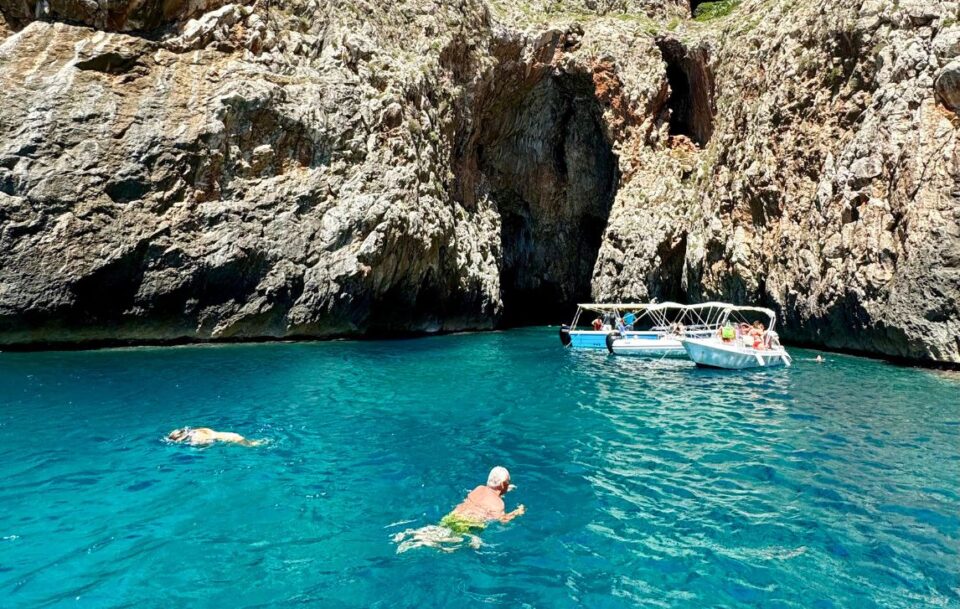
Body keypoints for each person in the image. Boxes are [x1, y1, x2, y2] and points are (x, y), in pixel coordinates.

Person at [439, 466, 525, 534]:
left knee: (439, 532)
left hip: (453, 516)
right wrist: (517, 512)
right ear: (503, 485)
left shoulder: (479, 488)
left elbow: (487, 497)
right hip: (466, 524)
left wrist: (504, 488)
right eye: (508, 482)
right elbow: (503, 520)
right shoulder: (499, 504)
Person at [166, 427, 263, 447]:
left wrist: (197, 449)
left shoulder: (196, 439)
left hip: (234, 439)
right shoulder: (197, 430)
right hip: (232, 434)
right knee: (257, 443)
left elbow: (210, 443)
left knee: (254, 446)